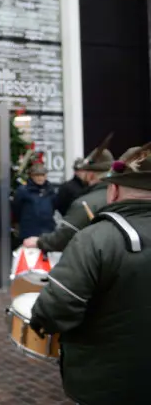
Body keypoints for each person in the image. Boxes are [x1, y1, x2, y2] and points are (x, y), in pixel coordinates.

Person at [30, 144, 151, 405]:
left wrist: (41, 322)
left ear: (113, 190)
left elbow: (53, 310)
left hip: (109, 383)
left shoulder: (95, 239)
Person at [23, 143, 114, 253]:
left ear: (90, 175)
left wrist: (40, 242)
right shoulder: (121, 196)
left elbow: (65, 235)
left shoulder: (85, 204)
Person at [12, 161, 57, 243]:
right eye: (37, 175)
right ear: (31, 176)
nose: (40, 178)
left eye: (42, 175)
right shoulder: (23, 191)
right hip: (29, 230)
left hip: (47, 229)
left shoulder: (50, 190)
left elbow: (53, 207)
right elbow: (16, 209)